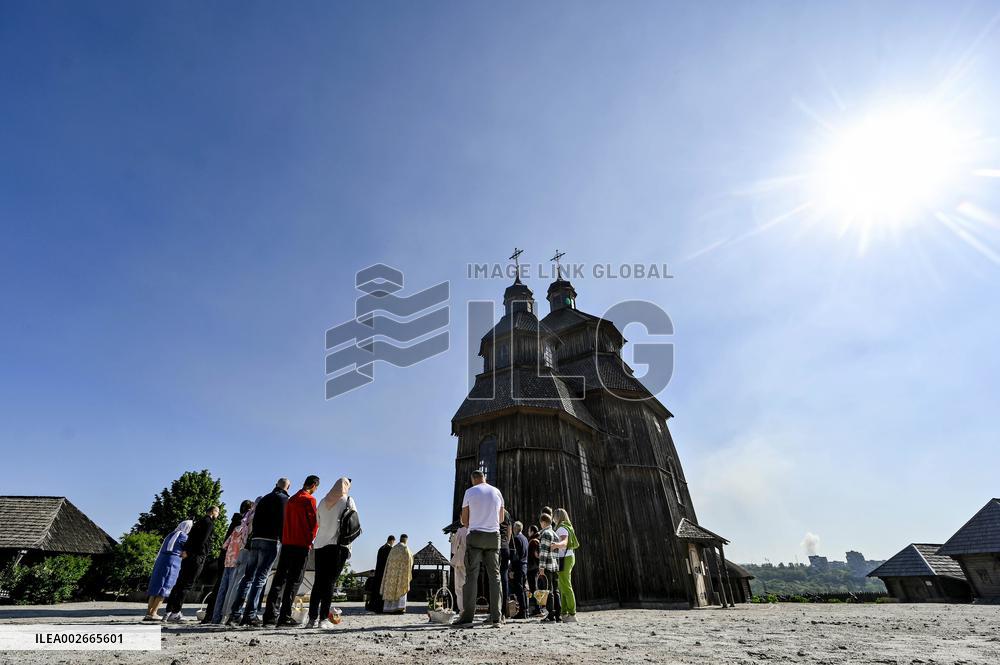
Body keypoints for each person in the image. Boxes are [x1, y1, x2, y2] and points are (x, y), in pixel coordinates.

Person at [228, 478, 290, 627]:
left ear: (276, 485)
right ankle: (250, 615)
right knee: (260, 578)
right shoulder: (284, 500)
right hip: (271, 540)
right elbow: (283, 521)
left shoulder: (263, 499)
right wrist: (283, 540)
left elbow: (253, 519)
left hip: (256, 539)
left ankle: (235, 614)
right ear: (288, 487)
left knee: (248, 577)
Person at [263, 475, 320, 627]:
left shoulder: (291, 499)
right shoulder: (309, 500)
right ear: (314, 485)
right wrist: (310, 540)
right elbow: (314, 524)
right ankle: (285, 616)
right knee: (294, 581)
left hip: (287, 543)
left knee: (279, 579)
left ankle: (269, 616)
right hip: (301, 544)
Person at [453, 470, 504, 628]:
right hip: (493, 536)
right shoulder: (497, 492)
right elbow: (501, 518)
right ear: (485, 478)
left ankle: (468, 616)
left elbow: (465, 520)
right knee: (494, 576)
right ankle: (496, 617)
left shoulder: (469, 492)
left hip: (475, 535)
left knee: (471, 576)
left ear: (472, 479)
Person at [307, 477, 357, 629]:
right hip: (337, 546)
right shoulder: (348, 500)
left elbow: (319, 522)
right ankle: (323, 619)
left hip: (320, 545)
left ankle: (311, 619)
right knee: (329, 583)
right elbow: (354, 520)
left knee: (318, 582)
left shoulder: (322, 502)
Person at [165, 506, 219, 622]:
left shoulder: (198, 522)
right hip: (197, 556)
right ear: (213, 512)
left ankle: (169, 610)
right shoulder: (209, 523)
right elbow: (203, 540)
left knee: (179, 583)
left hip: (188, 555)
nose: (218, 515)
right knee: (187, 585)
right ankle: (176, 612)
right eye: (217, 512)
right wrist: (201, 553)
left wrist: (186, 551)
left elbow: (191, 538)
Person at [201, 500, 252, 624]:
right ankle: (224, 615)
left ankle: (212, 615)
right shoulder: (243, 523)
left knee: (219, 587)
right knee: (229, 588)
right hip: (234, 556)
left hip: (225, 555)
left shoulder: (234, 520)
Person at [144, 520, 192, 621]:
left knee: (155, 587)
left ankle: (148, 612)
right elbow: (187, 551)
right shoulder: (183, 536)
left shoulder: (170, 535)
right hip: (172, 562)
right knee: (164, 588)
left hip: (160, 560)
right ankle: (154, 613)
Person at [552, 508, 579, 622]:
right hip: (568, 557)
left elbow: (564, 543)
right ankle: (564, 613)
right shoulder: (568, 526)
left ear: (557, 517)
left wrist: (555, 545)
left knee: (566, 586)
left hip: (565, 558)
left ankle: (572, 614)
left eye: (554, 516)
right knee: (562, 586)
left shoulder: (562, 528)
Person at [537, 513, 561, 623]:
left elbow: (543, 552)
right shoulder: (555, 534)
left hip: (547, 566)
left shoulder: (546, 533)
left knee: (549, 591)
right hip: (555, 566)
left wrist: (541, 567)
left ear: (543, 522)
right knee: (556, 590)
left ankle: (551, 615)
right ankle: (558, 615)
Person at [380, 534, 414, 614]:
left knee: (391, 589)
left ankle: (388, 608)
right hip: (402, 574)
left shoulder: (393, 549)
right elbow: (410, 560)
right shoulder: (406, 548)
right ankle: (399, 608)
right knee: (401, 588)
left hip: (391, 574)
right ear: (406, 540)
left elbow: (388, 562)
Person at [366, 535, 395, 613]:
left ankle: (374, 606)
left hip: (378, 572)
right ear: (392, 541)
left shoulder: (381, 548)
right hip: (385, 573)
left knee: (377, 590)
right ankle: (381, 607)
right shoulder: (390, 549)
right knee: (382, 590)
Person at [511, 521, 529, 619]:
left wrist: (512, 569)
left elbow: (516, 556)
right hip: (525, 566)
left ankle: (522, 611)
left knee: (519, 590)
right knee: (523, 589)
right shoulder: (525, 538)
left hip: (518, 566)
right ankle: (526, 611)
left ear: (515, 529)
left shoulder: (516, 539)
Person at [449, 524, 469, 614]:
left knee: (459, 587)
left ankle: (462, 610)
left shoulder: (461, 530)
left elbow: (454, 549)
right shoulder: (474, 530)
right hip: (472, 560)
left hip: (461, 560)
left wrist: (453, 539)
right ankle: (469, 608)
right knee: (470, 585)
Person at [499, 509, 512, 617]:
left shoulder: (493, 510)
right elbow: (509, 531)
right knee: (504, 578)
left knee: (493, 578)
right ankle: (504, 611)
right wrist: (506, 543)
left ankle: (496, 610)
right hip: (505, 547)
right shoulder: (506, 513)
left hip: (495, 546)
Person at [526, 525, 541, 616]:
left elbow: (536, 554)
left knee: (534, 588)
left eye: (529, 531)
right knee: (534, 588)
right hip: (535, 567)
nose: (528, 532)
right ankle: (537, 608)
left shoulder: (533, 542)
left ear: (532, 531)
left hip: (532, 568)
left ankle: (538, 609)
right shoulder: (537, 540)